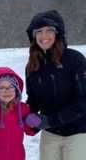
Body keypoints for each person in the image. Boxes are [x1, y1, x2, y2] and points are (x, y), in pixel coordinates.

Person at [25, 9, 86, 160]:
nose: (43, 36)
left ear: (58, 33)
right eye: (39, 31)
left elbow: (83, 101)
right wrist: (27, 117)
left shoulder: (75, 59)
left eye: (49, 30)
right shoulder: (32, 65)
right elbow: (33, 100)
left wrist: (51, 120)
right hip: (50, 133)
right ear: (33, 35)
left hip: (78, 132)